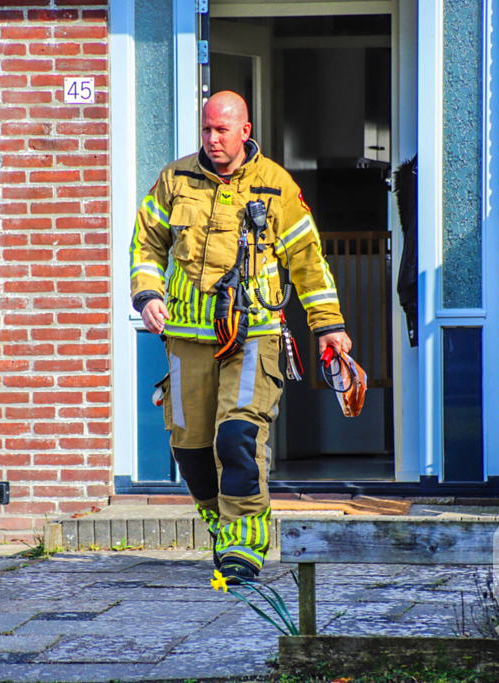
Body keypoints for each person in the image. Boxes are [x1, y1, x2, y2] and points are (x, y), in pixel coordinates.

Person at [130, 91, 352, 583]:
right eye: (206, 130)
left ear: (244, 131)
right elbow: (146, 242)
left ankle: (244, 543)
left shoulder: (276, 185)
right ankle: (223, 529)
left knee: (238, 436)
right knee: (190, 450)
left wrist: (329, 327)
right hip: (186, 338)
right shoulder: (174, 179)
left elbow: (309, 261)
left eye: (221, 131)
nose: (212, 139)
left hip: (255, 335)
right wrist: (146, 295)